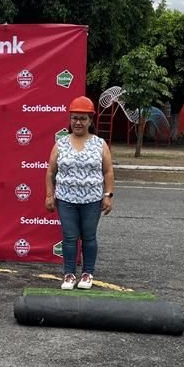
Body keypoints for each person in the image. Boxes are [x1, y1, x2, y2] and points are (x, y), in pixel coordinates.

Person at [44, 96, 115, 290]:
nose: (78, 122)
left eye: (83, 118)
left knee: (89, 237)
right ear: (70, 120)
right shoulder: (61, 144)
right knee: (69, 237)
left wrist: (108, 195)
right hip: (66, 199)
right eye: (75, 118)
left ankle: (87, 274)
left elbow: (108, 171)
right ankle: (68, 274)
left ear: (91, 121)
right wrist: (50, 195)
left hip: (92, 200)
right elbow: (51, 171)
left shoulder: (100, 144)